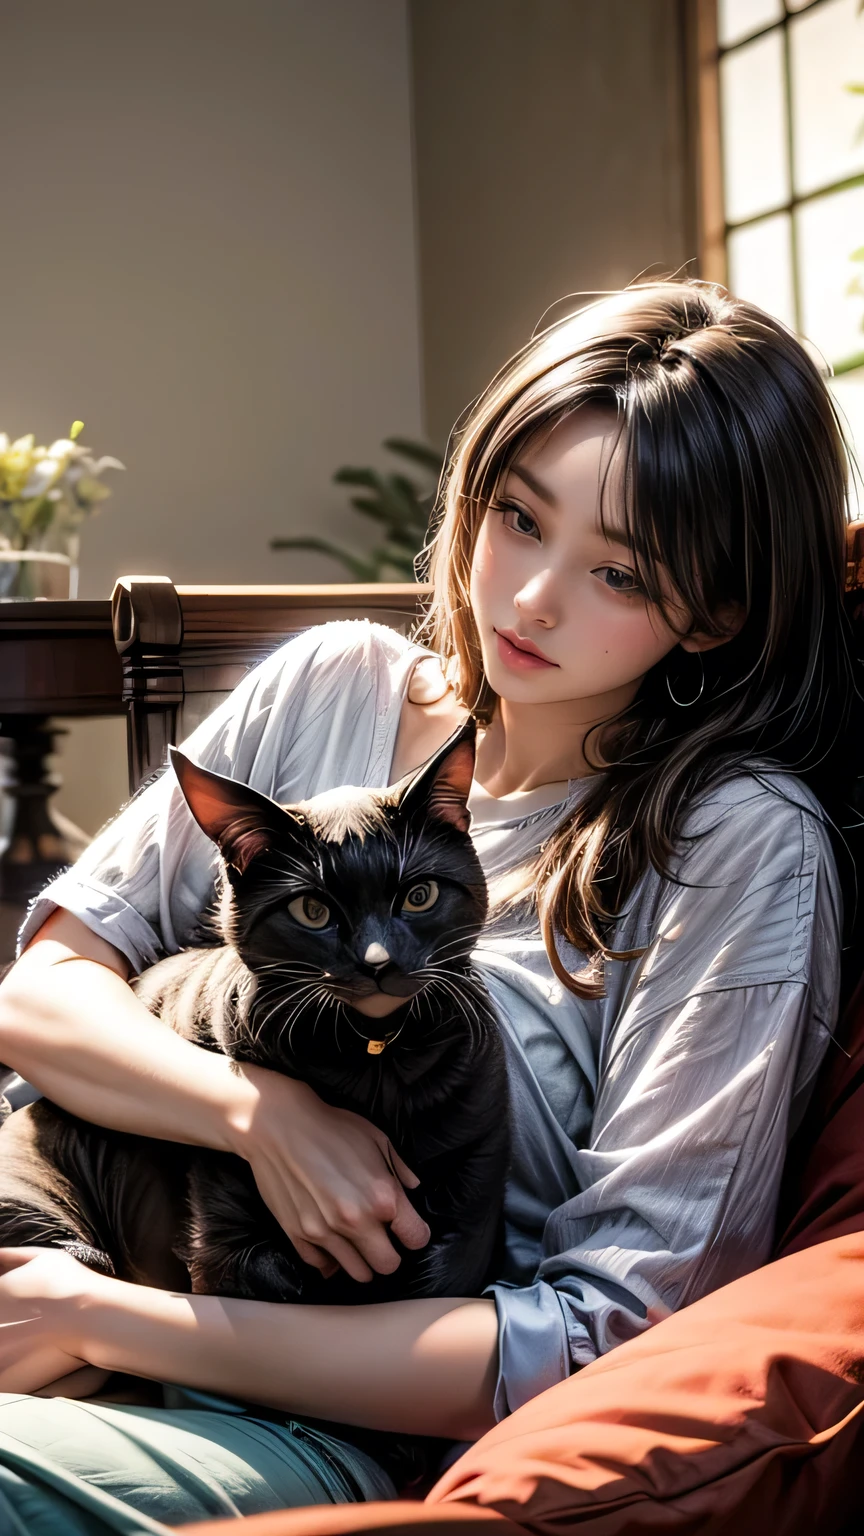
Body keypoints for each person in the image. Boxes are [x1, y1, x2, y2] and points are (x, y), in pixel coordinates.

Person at [0, 279, 855, 1534]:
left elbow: (606, 1330)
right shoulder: (332, 687)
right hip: (70, 1247)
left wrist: (113, 1320)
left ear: (716, 610)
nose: (528, 600)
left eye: (619, 572)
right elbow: (42, 995)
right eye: (518, 517)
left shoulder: (735, 845)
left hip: (321, 1411)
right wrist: (261, 1116)